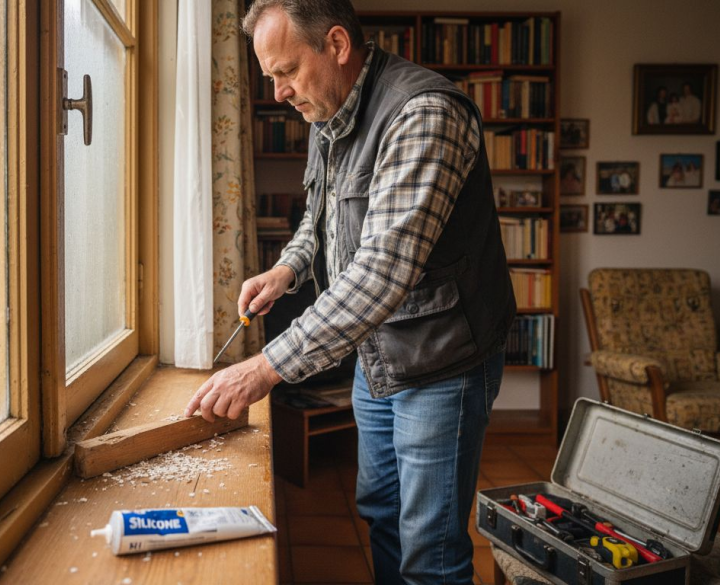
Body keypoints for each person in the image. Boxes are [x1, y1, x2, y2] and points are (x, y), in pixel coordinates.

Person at [183, 2, 516, 583]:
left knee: (429, 552)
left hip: (442, 360)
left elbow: (381, 273)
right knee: (382, 515)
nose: (280, 93)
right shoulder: (327, 109)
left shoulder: (424, 115)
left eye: (286, 72)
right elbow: (321, 217)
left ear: (336, 44)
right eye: (271, 79)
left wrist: (263, 369)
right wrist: (286, 269)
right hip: (375, 353)